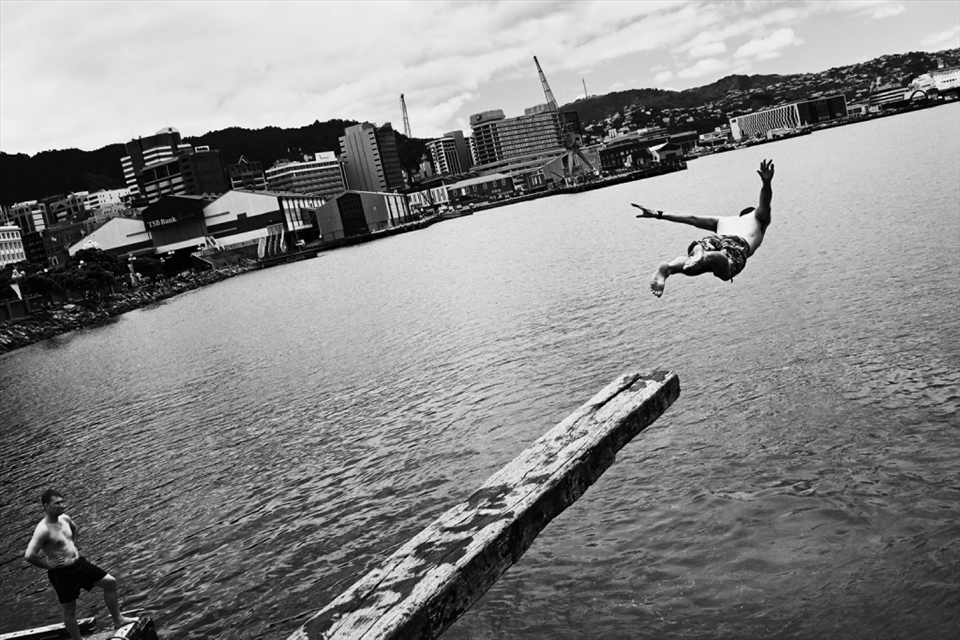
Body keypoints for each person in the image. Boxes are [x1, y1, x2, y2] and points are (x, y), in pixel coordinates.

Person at [633, 159, 774, 297]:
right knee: (726, 271)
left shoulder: (723, 220)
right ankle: (705, 255)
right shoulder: (757, 218)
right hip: (737, 243)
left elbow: (691, 218)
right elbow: (764, 204)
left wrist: (658, 214)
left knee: (691, 267)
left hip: (715, 239)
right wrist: (766, 183)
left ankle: (668, 267)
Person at [23, 489, 137, 640]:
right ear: (46, 506)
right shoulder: (43, 529)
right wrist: (49, 565)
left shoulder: (65, 519)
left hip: (80, 564)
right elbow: (29, 556)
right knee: (70, 610)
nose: (62, 505)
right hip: (62, 574)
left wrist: (74, 546)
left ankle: (118, 620)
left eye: (63, 501)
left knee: (110, 582)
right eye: (57, 503)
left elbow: (75, 529)